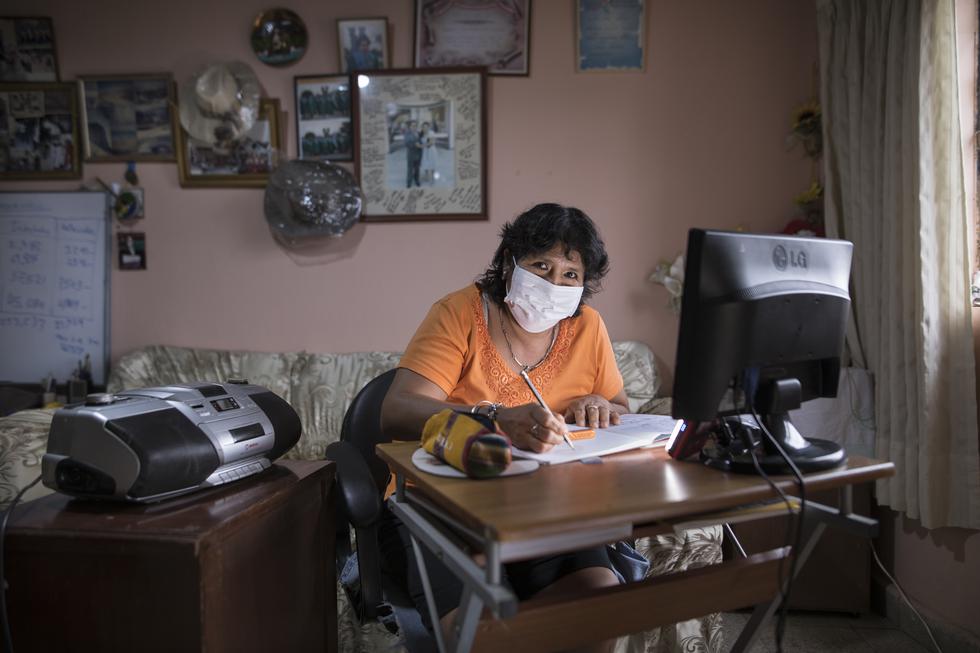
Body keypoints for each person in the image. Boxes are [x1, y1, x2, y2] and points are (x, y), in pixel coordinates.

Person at [380, 203, 630, 650]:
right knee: (481, 633)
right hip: (445, 501)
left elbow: (620, 408)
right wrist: (492, 417)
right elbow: (396, 409)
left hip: (549, 505)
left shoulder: (588, 327)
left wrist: (599, 402)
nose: (555, 282)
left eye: (570, 274)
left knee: (599, 611)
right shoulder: (458, 312)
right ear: (508, 262)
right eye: (541, 265)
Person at [403, 120, 422, 188]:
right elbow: (406, 143)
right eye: (413, 126)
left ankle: (417, 180)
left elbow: (421, 142)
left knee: (417, 169)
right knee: (410, 169)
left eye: (415, 126)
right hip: (411, 154)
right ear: (410, 126)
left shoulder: (418, 133)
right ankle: (409, 182)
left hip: (418, 154)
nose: (414, 127)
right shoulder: (407, 133)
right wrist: (414, 144)